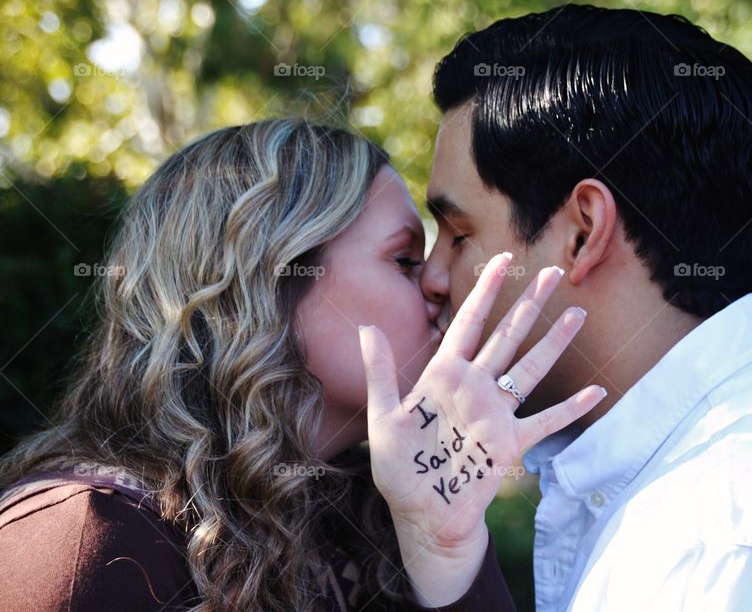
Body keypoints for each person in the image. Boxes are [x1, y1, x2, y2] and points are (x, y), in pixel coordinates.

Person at [411, 4, 752, 611]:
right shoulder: (720, 481)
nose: (432, 277)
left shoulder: (735, 547)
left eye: (458, 234)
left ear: (583, 231)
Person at [0, 118, 607, 611]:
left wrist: (446, 552)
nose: (437, 284)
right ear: (270, 281)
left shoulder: (369, 516)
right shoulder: (76, 542)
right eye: (404, 259)